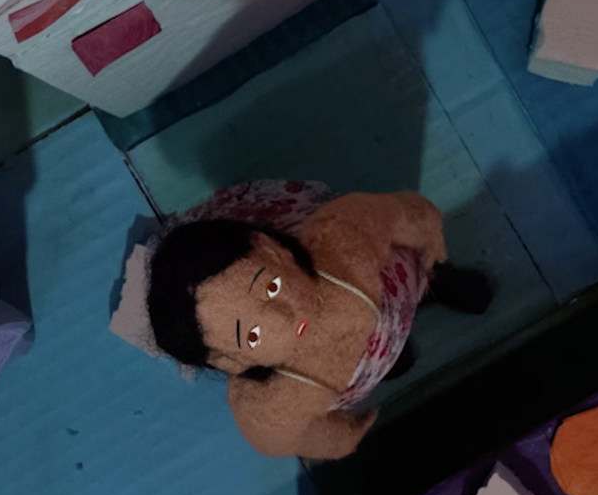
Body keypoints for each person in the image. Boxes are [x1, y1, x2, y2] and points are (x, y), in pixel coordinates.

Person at [146, 184, 490, 459]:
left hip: (383, 280)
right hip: (357, 361)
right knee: (389, 353)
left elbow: (395, 215)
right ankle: (395, 346)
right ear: (230, 361)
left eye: (271, 287)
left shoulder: (340, 235)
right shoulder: (270, 405)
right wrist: (343, 436)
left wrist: (430, 245)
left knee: (409, 277)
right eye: (252, 336)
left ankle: (432, 282)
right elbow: (289, 438)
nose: (284, 319)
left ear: (272, 249)